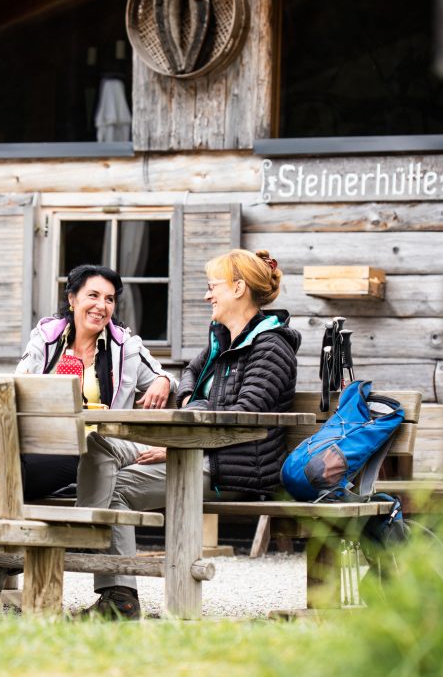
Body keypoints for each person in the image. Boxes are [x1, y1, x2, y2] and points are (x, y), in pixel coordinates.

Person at [76, 249, 301, 620]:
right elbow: (189, 377)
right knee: (97, 441)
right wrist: (185, 408)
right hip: (193, 448)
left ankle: (118, 596)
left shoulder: (270, 345)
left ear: (239, 288)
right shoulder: (222, 339)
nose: (207, 295)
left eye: (213, 287)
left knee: (113, 490)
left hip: (230, 464)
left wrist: (178, 441)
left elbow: (245, 417)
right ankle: (85, 530)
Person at [0, 264, 176, 609]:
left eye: (109, 299)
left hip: (94, 449)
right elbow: (19, 380)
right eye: (92, 296)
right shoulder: (47, 340)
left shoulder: (125, 346)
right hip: (44, 445)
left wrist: (163, 381)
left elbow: (161, 376)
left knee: (13, 471)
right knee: (0, 461)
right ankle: (0, 562)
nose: (101, 306)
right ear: (72, 299)